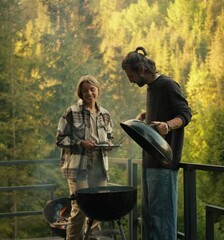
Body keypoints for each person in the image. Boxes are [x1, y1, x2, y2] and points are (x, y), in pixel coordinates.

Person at [121, 46, 192, 240]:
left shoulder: (168, 84)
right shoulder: (151, 88)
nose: (131, 81)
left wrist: (168, 126)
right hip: (149, 161)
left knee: (162, 219)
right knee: (149, 218)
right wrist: (146, 116)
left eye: (131, 76)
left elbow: (185, 114)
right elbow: (162, 110)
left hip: (164, 163)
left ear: (142, 70)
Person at [56, 75, 114, 240]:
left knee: (98, 208)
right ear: (80, 93)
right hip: (77, 167)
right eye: (85, 90)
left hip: (99, 167)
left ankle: (93, 239)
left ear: (98, 91)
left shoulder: (105, 114)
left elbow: (110, 137)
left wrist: (108, 144)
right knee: (80, 208)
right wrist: (81, 143)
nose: (89, 93)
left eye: (92, 89)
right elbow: (60, 139)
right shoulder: (71, 112)